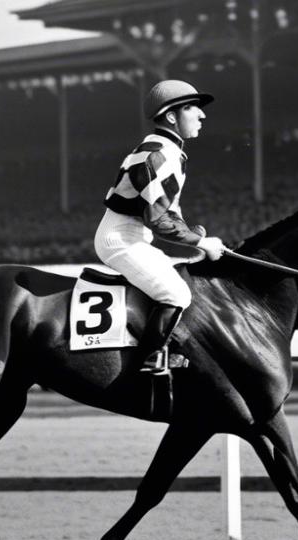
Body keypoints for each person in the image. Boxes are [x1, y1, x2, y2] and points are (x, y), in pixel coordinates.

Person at [94, 80, 227, 375]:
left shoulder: (169, 151)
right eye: (193, 108)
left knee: (182, 285)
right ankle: (150, 359)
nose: (202, 116)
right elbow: (159, 220)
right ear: (171, 116)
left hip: (134, 237)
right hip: (120, 240)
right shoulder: (159, 154)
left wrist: (198, 238)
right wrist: (201, 243)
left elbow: (169, 214)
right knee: (177, 295)